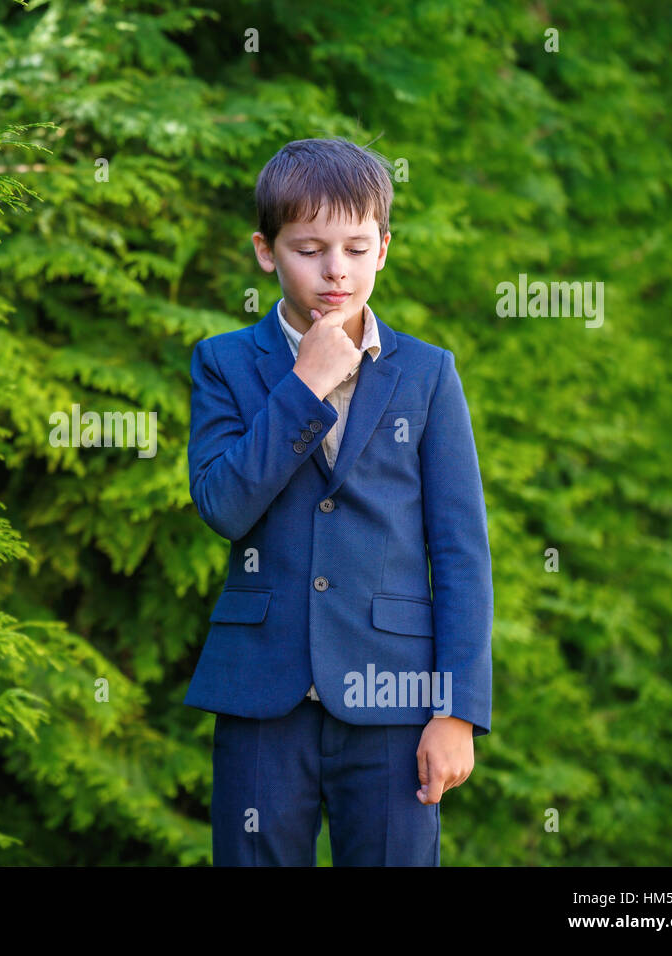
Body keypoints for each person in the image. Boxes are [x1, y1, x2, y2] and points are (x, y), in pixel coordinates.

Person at [184, 137, 493, 866]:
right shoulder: (224, 363)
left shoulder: (428, 374)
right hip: (261, 694)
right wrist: (304, 388)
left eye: (356, 248)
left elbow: (459, 551)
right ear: (266, 252)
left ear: (383, 249)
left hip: (395, 696)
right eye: (310, 248)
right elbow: (225, 505)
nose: (335, 271)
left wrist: (456, 711)